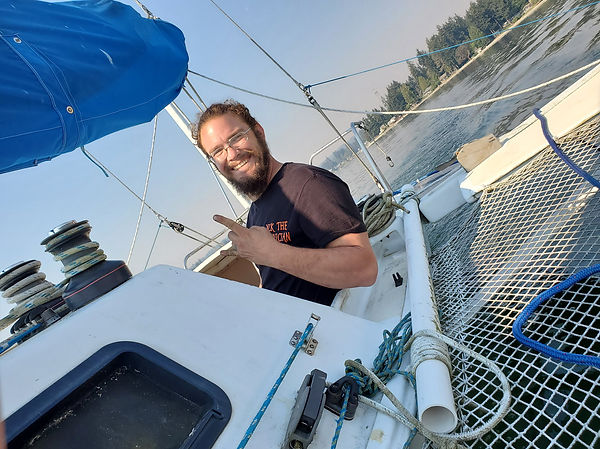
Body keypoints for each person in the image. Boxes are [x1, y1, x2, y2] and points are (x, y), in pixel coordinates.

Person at [196, 101, 377, 305]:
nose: (232, 154)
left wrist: (273, 254)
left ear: (258, 131)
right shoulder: (255, 213)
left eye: (236, 137)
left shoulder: (309, 185)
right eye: (218, 151)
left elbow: (364, 268)